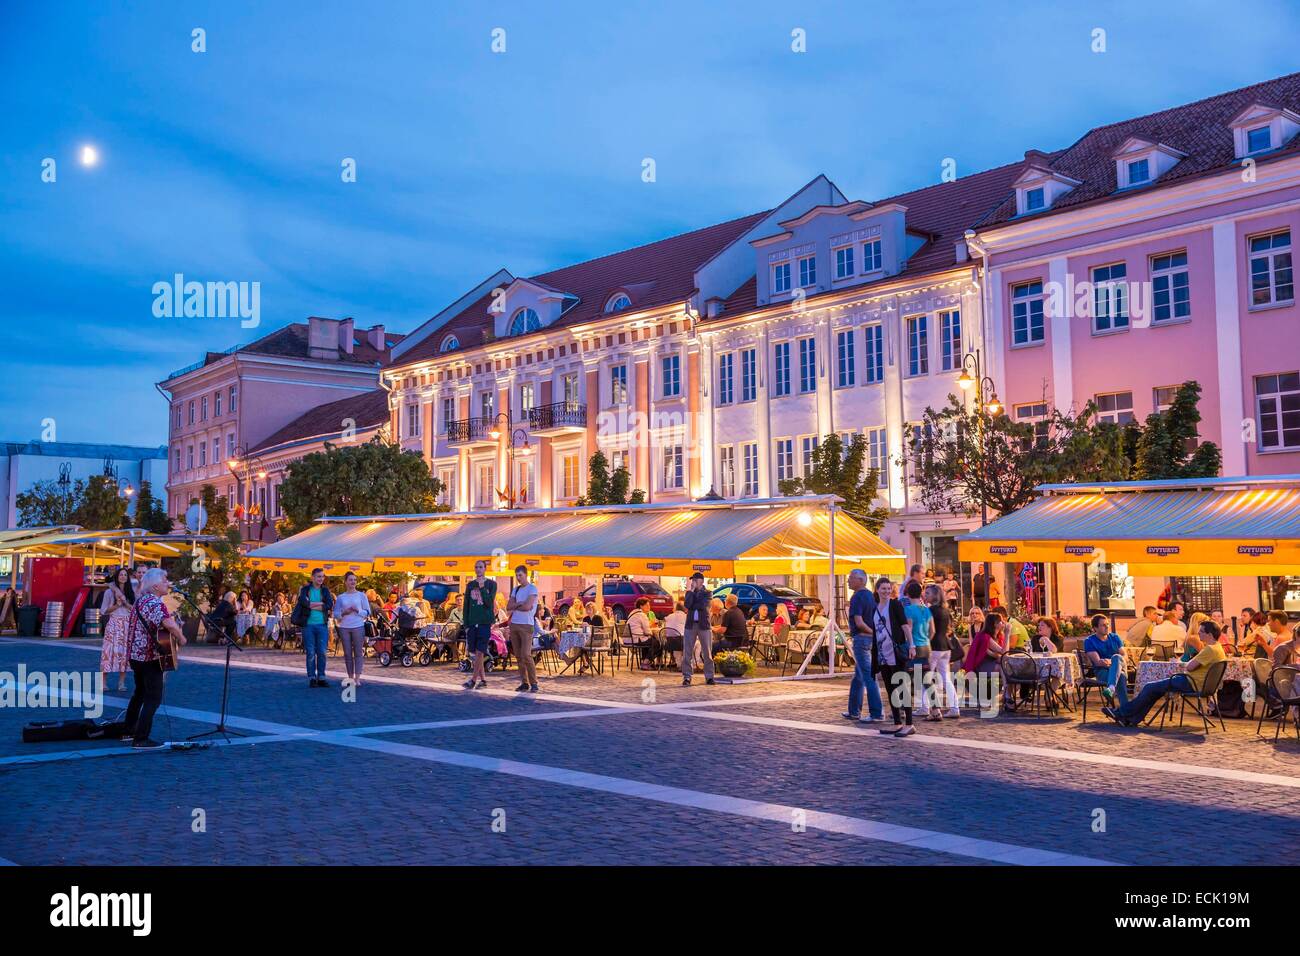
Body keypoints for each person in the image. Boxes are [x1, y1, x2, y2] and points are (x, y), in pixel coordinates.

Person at [1104, 620, 1227, 727]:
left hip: (1190, 682)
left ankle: (1120, 713)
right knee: (1155, 691)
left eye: (1201, 631)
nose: (1198, 633)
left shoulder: (1209, 649)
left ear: (1209, 634)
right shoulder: (1218, 648)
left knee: (1149, 687)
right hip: (1200, 684)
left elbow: (1189, 667)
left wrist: (1193, 661)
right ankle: (1132, 719)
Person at [123, 568, 187, 749]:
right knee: (153, 698)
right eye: (165, 580)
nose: (168, 583)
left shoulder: (140, 601)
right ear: (156, 585)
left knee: (140, 693)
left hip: (135, 656)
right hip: (149, 657)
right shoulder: (155, 603)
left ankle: (128, 730)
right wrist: (181, 638)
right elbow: (168, 624)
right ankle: (141, 739)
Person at [870, 576, 914, 736]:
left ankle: (909, 723)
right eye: (883, 589)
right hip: (882, 653)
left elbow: (905, 626)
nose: (887, 591)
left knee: (902, 687)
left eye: (889, 589)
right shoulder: (875, 608)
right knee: (890, 689)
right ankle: (897, 722)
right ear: (877, 590)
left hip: (896, 652)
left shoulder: (895, 604)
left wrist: (912, 645)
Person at [843, 569, 883, 723]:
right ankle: (853, 710)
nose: (848, 581)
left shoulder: (857, 597)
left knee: (868, 677)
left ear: (860, 580)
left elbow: (859, 622)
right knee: (859, 677)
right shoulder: (869, 596)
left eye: (850, 578)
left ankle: (876, 713)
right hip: (870, 640)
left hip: (862, 639)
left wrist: (872, 632)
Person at [925, 584, 961, 719]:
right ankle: (954, 707)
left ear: (935, 595)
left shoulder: (930, 610)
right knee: (946, 679)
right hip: (946, 647)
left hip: (934, 647)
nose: (925, 595)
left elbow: (929, 629)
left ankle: (925, 707)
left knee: (926, 677)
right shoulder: (946, 610)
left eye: (928, 593)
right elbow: (949, 629)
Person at [293, 568, 334, 688]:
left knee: (322, 652)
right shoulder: (306, 590)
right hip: (308, 625)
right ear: (312, 577)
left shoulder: (325, 590)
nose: (321, 579)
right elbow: (304, 603)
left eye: (322, 576)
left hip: (322, 625)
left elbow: (329, 605)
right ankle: (311, 677)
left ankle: (321, 677)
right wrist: (320, 604)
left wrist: (314, 605)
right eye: (318, 576)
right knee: (310, 652)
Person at [462, 560, 496, 690]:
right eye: (476, 567)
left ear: (485, 569)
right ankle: (483, 680)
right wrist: (466, 624)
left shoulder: (491, 584)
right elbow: (466, 605)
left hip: (484, 622)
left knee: (480, 651)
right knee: (475, 653)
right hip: (472, 622)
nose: (478, 569)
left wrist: (482, 588)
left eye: (481, 567)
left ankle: (473, 680)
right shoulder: (470, 585)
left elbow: (489, 603)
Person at [332, 571, 371, 687]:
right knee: (348, 654)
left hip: (358, 626)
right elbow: (336, 614)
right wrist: (344, 612)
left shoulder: (361, 596)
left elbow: (367, 612)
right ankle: (350, 677)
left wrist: (358, 610)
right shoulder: (341, 597)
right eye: (350, 580)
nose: (353, 582)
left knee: (358, 653)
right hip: (344, 627)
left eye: (354, 580)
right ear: (345, 582)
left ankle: (357, 678)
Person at [99, 567, 134, 692]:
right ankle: (103, 683)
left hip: (126, 624)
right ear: (117, 577)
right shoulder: (109, 593)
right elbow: (103, 611)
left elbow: (134, 610)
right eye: (121, 575)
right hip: (113, 623)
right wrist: (117, 606)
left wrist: (125, 604)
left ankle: (121, 682)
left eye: (125, 575)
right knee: (108, 652)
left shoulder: (130, 592)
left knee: (124, 653)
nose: (123, 577)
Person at [506, 565, 539, 693]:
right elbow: (509, 606)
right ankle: (524, 682)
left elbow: (528, 607)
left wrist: (517, 605)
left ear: (526, 575)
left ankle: (534, 682)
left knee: (526, 654)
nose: (518, 578)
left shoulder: (532, 588)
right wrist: (520, 604)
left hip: (527, 625)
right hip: (514, 624)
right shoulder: (516, 589)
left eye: (520, 575)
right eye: (517, 575)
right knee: (519, 656)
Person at [902, 581, 932, 717]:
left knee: (906, 678)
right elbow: (933, 630)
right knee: (926, 680)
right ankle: (936, 710)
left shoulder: (908, 610)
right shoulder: (926, 609)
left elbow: (908, 629)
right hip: (926, 646)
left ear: (907, 593)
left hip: (914, 647)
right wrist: (927, 639)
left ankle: (903, 710)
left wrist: (910, 644)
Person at [681, 572, 715, 686]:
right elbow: (687, 605)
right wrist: (691, 592)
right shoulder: (689, 593)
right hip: (690, 624)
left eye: (694, 580)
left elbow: (702, 605)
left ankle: (709, 676)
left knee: (707, 652)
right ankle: (687, 676)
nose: (692, 582)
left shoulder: (708, 593)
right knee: (687, 652)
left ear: (701, 581)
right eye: (692, 580)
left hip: (704, 625)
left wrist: (693, 603)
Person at [1083, 613, 1125, 692]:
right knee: (1121, 677)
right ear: (1095, 628)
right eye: (1103, 625)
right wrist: (1114, 662)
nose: (1107, 627)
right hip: (1102, 671)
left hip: (1121, 667)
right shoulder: (1089, 641)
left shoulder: (1115, 637)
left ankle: (1111, 688)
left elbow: (1124, 655)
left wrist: (1113, 661)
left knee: (1117, 657)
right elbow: (1098, 662)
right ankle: (1124, 703)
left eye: (1107, 624)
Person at [963, 609, 1006, 676]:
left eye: (977, 613)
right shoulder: (984, 635)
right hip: (982, 661)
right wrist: (1008, 633)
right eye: (972, 613)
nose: (1004, 623)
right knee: (1003, 667)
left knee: (1007, 665)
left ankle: (1008, 686)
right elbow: (1002, 652)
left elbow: (1002, 653)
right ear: (994, 624)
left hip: (992, 660)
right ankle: (1007, 686)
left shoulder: (999, 635)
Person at [627, 596, 658, 665]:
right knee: (657, 643)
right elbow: (647, 632)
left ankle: (644, 660)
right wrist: (652, 634)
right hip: (636, 639)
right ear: (641, 606)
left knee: (649, 640)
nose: (649, 607)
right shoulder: (642, 615)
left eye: (649, 605)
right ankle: (646, 661)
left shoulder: (632, 613)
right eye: (647, 605)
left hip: (629, 639)